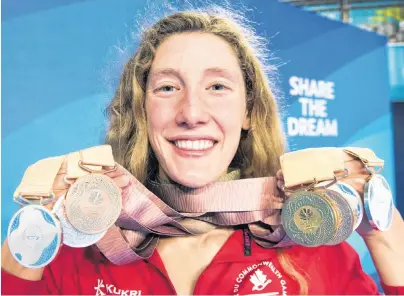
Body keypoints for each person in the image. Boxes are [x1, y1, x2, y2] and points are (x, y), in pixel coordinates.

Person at [2, 5, 404, 295]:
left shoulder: (313, 254)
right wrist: (35, 227)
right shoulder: (82, 253)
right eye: (167, 88)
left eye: (217, 87)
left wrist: (380, 223)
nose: (192, 113)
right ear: (142, 109)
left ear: (248, 111)